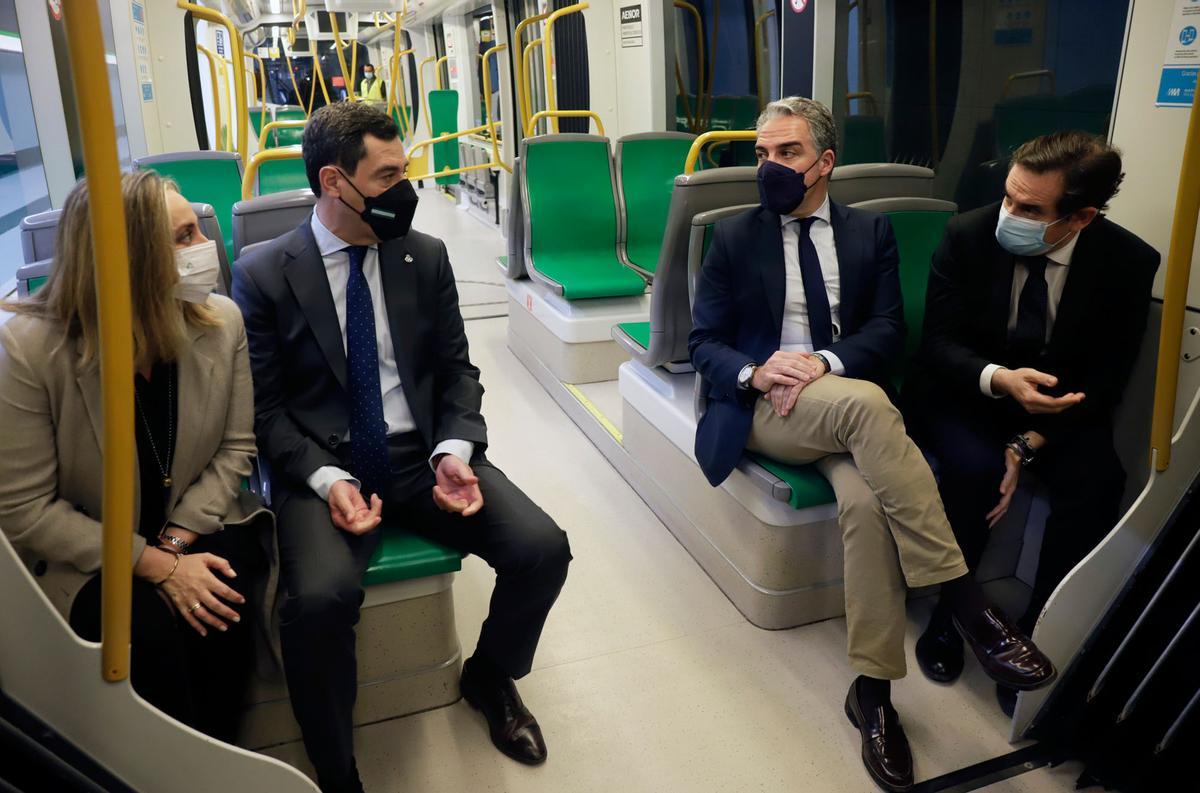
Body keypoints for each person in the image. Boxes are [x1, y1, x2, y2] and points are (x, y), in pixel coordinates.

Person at [688, 97, 1057, 793]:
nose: (769, 166)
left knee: (866, 504)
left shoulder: (869, 232)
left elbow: (887, 330)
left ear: (825, 162)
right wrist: (758, 371)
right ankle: (967, 601)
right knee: (868, 405)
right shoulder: (734, 236)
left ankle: (874, 694)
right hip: (767, 406)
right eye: (762, 153)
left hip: (837, 403)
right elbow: (702, 341)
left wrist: (823, 363)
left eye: (788, 152)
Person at [233, 102, 571, 793]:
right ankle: (336, 769)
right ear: (334, 181)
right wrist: (327, 479)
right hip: (322, 466)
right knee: (318, 603)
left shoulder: (424, 256)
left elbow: (456, 371)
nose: (406, 189)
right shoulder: (264, 273)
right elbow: (264, 412)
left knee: (542, 548)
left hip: (420, 456)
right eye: (387, 176)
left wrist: (454, 450)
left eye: (404, 170)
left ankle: (489, 675)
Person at [0, 171, 270, 743]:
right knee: (146, 638)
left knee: (225, 604)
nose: (206, 247)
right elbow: (25, 510)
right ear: (132, 261)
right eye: (185, 236)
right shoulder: (28, 352)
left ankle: (223, 755)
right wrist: (154, 564)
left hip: (192, 521)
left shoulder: (222, 322)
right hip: (88, 549)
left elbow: (235, 447)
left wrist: (174, 544)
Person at [906, 131, 1159, 715]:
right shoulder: (968, 235)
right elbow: (938, 345)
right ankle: (953, 616)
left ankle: (1036, 628)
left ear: (1082, 217)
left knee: (1099, 482)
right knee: (974, 469)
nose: (1009, 215)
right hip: (968, 392)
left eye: (1029, 209)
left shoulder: (1127, 262)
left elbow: (1109, 374)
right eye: (1008, 198)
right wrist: (1001, 379)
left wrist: (1030, 441)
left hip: (1057, 411)